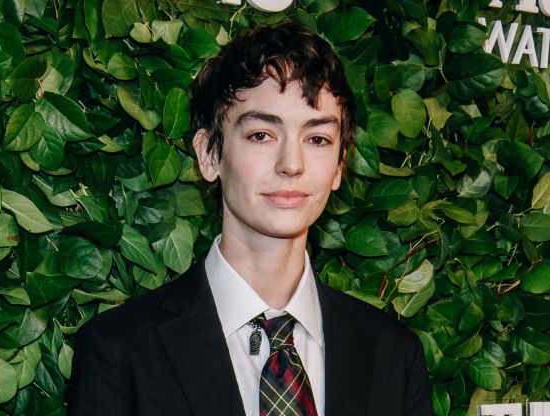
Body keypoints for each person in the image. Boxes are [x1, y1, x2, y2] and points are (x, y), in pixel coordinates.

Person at [68, 21, 432, 416]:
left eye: (317, 139)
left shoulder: (393, 354)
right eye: (261, 135)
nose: (292, 164)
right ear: (209, 154)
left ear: (339, 166)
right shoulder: (118, 352)